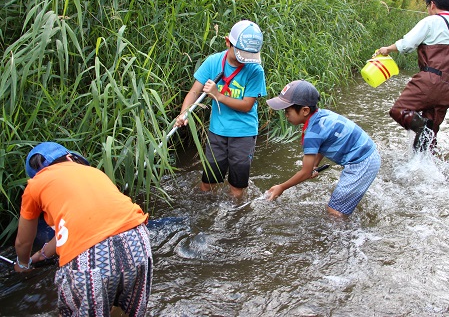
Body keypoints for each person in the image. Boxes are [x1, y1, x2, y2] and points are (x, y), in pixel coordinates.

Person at [14, 142, 152, 316]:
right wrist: (42, 255)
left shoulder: (35, 185)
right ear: (71, 158)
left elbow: (23, 242)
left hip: (92, 257)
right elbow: (78, 228)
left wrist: (23, 263)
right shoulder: (94, 172)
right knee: (126, 311)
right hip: (137, 240)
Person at [375, 0, 449, 152]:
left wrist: (387, 49)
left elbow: (407, 44)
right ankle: (425, 166)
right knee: (429, 138)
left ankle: (423, 127)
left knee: (399, 110)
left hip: (429, 81)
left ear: (432, 5)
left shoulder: (430, 22)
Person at [175, 20, 266, 199]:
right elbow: (194, 91)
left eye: (249, 55)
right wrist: (184, 112)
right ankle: (206, 212)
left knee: (236, 185)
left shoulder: (255, 70)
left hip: (243, 133)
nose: (244, 60)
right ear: (227, 42)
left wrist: (219, 95)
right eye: (241, 54)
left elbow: (247, 105)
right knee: (208, 180)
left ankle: (235, 216)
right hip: (217, 132)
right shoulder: (213, 62)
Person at [265, 80, 381, 217]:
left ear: (305, 110)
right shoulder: (322, 115)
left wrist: (282, 187)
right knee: (338, 206)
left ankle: (343, 237)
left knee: (334, 212)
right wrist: (314, 165)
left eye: (287, 110)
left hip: (361, 163)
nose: (285, 115)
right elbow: (323, 143)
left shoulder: (312, 134)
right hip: (368, 155)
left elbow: (305, 172)